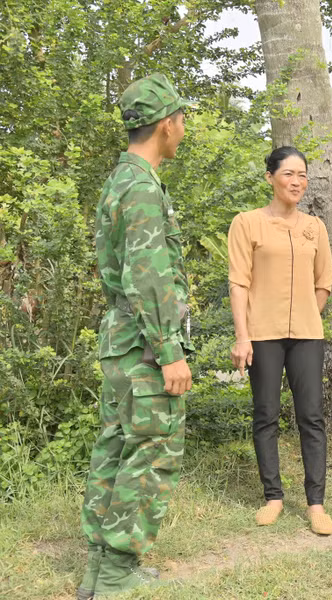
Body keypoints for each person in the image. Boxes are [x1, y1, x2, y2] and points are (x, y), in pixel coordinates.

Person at [79, 73, 193, 597]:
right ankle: (116, 578)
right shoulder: (142, 187)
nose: (184, 127)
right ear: (166, 124)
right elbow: (147, 277)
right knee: (150, 454)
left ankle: (100, 571)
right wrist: (169, 352)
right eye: (182, 118)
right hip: (145, 347)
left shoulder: (119, 180)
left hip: (120, 343)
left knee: (116, 451)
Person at [228, 147, 332, 534]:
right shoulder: (247, 223)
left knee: (312, 417)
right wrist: (244, 336)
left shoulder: (315, 227)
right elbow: (239, 282)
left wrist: (306, 313)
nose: (297, 182)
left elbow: (323, 282)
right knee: (266, 414)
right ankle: (273, 496)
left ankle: (316, 503)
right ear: (270, 177)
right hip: (262, 335)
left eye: (303, 175)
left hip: (307, 336)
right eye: (289, 174)